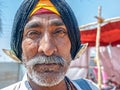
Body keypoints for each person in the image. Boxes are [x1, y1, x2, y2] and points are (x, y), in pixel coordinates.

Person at [1, 0, 99, 90]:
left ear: (73, 45)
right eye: (33, 33)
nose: (47, 49)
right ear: (19, 48)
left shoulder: (90, 87)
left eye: (59, 32)